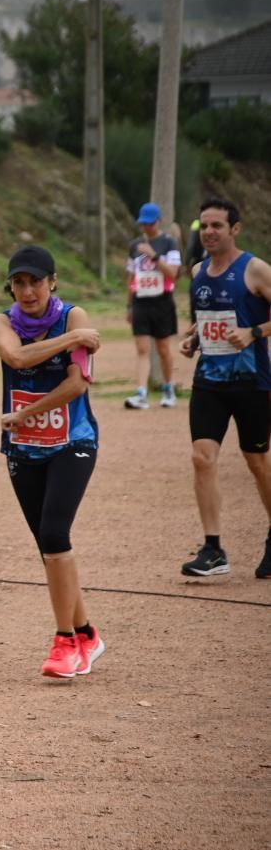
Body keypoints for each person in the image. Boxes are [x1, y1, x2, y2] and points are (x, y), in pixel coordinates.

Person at [0, 244, 107, 679]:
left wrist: (26, 413)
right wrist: (74, 340)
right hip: (23, 448)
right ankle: (87, 634)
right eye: (18, 282)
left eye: (35, 281)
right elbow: (17, 357)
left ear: (52, 282)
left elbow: (76, 385)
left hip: (72, 441)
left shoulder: (73, 316)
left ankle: (65, 643)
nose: (27, 290)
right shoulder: (2, 322)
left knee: (56, 533)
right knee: (48, 546)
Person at [176, 197, 271, 579]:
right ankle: (213, 549)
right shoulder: (198, 271)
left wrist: (254, 332)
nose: (209, 232)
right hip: (209, 382)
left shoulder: (256, 270)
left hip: (252, 382)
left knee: (257, 462)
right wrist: (195, 340)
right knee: (202, 457)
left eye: (217, 225)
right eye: (204, 226)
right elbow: (206, 319)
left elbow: (252, 323)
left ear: (234, 229)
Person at [124, 201, 182, 409]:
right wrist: (129, 305)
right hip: (141, 301)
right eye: (143, 224)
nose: (146, 227)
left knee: (164, 348)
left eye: (150, 223)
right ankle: (141, 393)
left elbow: (173, 273)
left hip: (162, 302)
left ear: (158, 221)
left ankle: (169, 389)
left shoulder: (169, 243)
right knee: (142, 348)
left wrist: (154, 255)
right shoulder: (134, 246)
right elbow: (132, 277)